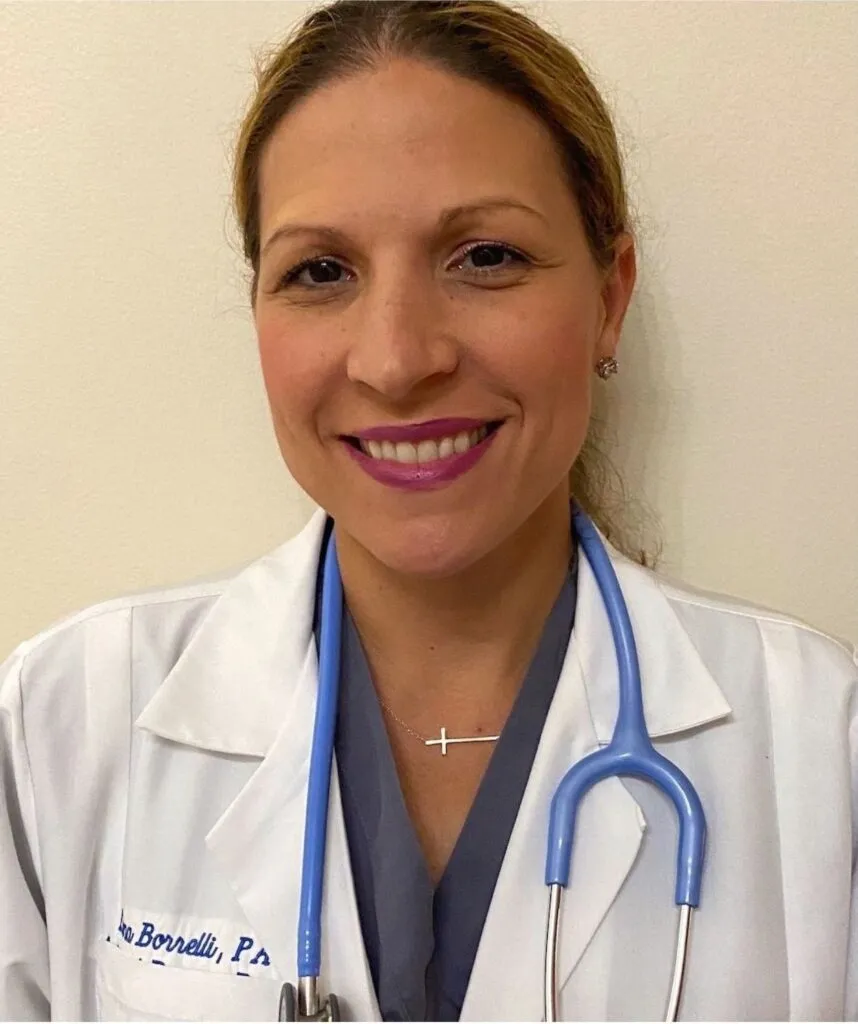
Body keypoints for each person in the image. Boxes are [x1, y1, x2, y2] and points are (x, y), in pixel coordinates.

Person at [1, 0, 856, 1020]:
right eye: (320, 271)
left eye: (485, 256)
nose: (399, 360)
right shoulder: (62, 725)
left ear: (609, 297)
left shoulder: (817, 745)